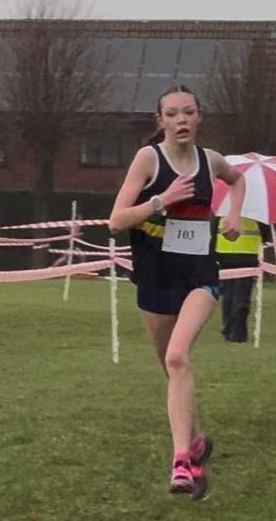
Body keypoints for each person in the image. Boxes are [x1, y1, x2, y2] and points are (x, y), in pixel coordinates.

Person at [108, 85, 244, 499]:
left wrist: (234, 214)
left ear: (200, 116)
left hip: (199, 273)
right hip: (154, 276)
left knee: (178, 356)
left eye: (188, 112)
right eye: (172, 113)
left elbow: (237, 182)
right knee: (171, 368)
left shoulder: (211, 161)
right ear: (160, 120)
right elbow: (116, 221)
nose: (181, 120)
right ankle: (197, 438)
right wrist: (161, 201)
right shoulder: (148, 160)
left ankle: (182, 461)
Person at [216, 215, 266, 343]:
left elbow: (213, 222)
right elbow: (265, 229)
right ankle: (237, 333)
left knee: (228, 293)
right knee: (242, 295)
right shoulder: (256, 207)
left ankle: (227, 328)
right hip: (247, 253)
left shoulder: (224, 202)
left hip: (223, 249)